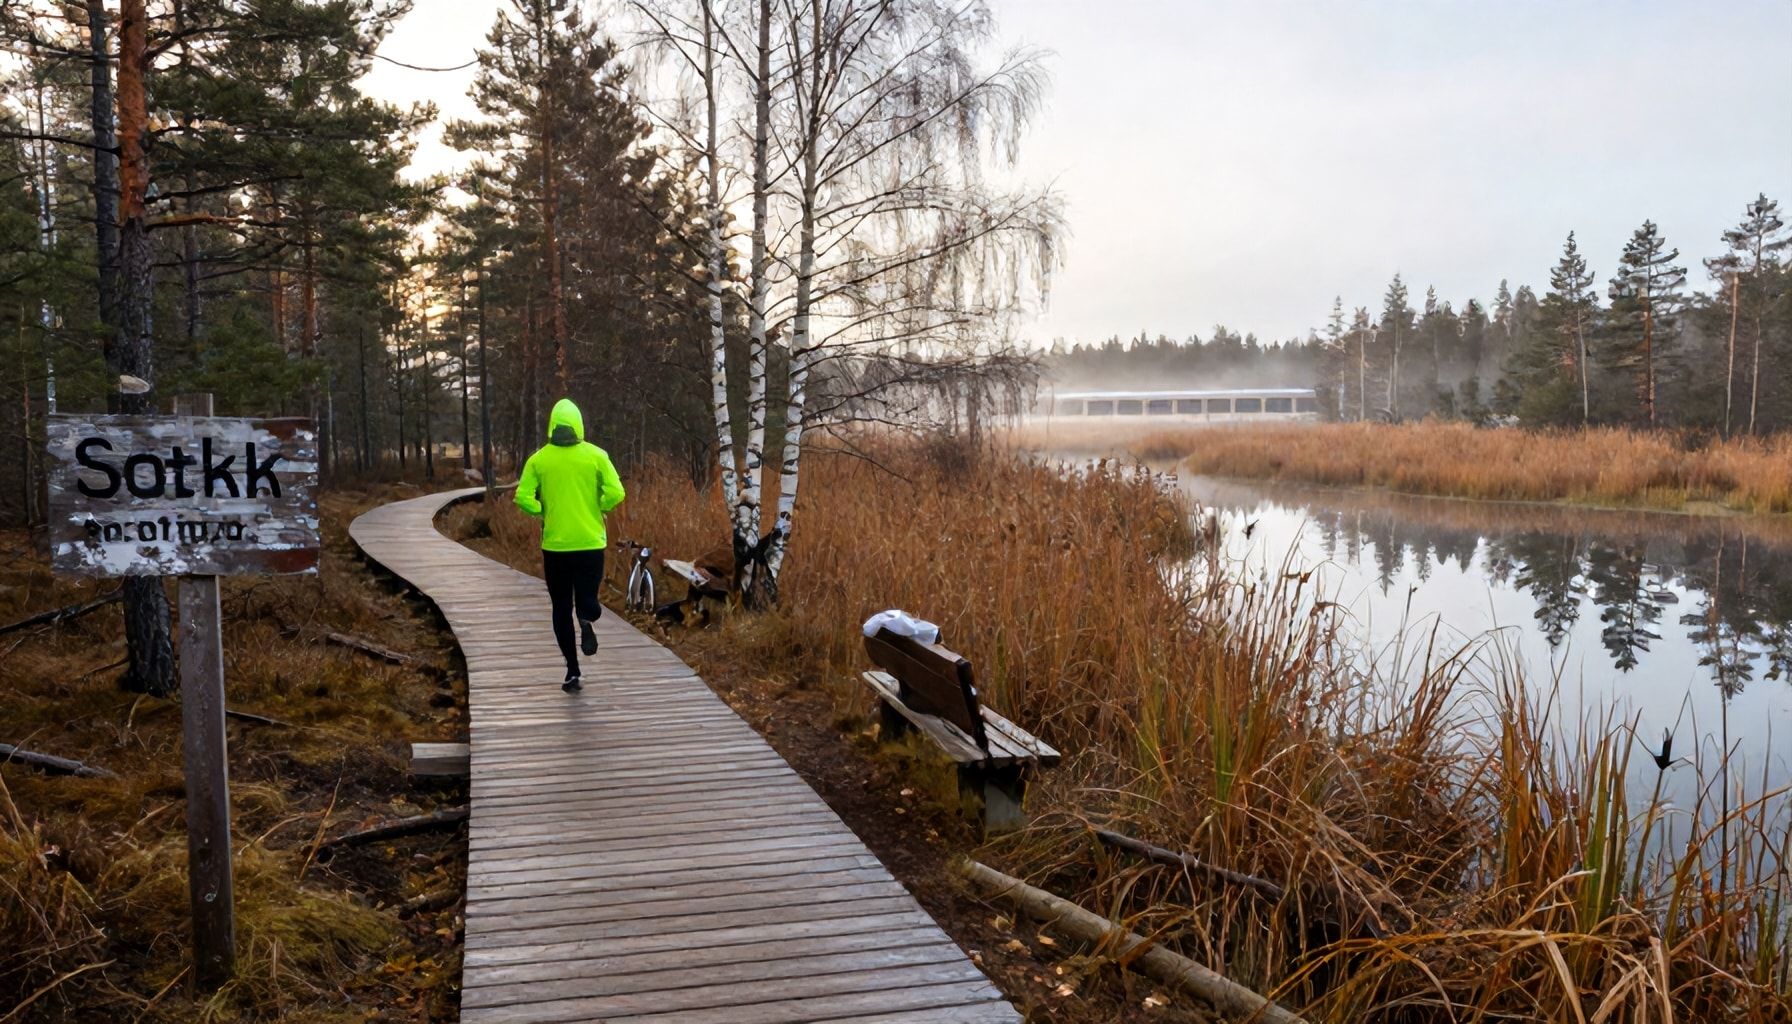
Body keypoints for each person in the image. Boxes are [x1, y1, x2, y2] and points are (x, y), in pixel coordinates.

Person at [515, 398, 625, 692]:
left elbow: (522, 497)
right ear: (579, 424)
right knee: (587, 598)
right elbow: (617, 492)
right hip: (590, 542)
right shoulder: (596, 455)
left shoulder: (538, 459)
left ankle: (572, 670)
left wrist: (543, 512)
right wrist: (598, 507)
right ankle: (587, 617)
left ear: (552, 425)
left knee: (560, 607)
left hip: (556, 546)